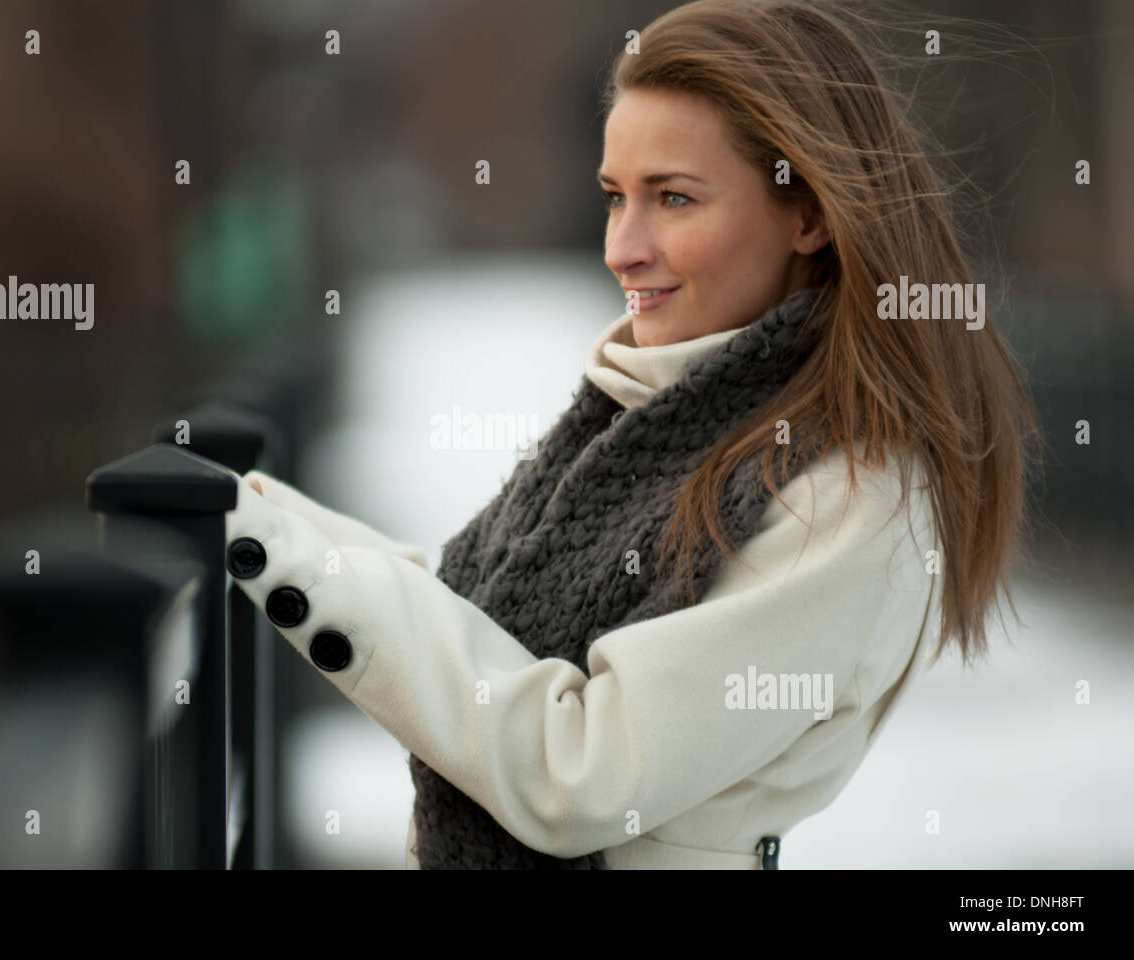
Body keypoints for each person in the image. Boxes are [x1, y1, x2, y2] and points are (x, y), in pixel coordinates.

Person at [222, 0, 1040, 869]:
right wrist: (250, 517)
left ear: (809, 215)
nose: (624, 247)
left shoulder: (854, 492)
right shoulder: (662, 416)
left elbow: (584, 774)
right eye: (616, 197)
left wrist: (268, 548)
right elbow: (475, 619)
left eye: (673, 199)